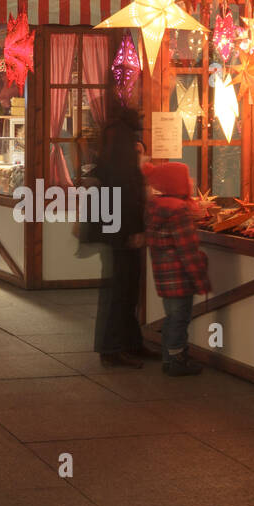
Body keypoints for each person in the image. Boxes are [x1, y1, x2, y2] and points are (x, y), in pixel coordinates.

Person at [93, 105, 154, 368]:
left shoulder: (114, 134)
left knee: (125, 287)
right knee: (122, 289)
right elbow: (125, 188)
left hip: (114, 223)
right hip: (122, 227)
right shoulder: (123, 137)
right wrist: (135, 229)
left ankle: (129, 342)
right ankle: (113, 347)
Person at [143, 161, 211, 376]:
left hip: (163, 274)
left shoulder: (155, 206)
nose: (190, 182)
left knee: (172, 317)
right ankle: (177, 360)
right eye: (187, 178)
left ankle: (168, 358)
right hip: (179, 276)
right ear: (177, 182)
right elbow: (187, 249)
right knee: (180, 319)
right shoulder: (178, 211)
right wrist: (200, 278)